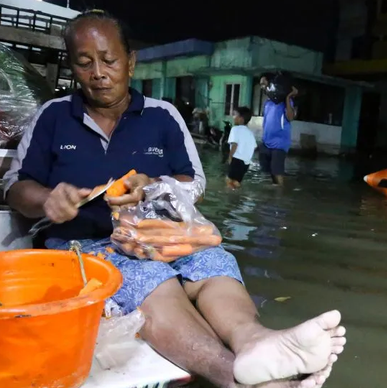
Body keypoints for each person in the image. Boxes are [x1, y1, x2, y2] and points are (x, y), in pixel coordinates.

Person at [3, 10, 345, 388]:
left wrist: (153, 184)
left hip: (161, 234)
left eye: (109, 60)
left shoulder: (162, 116)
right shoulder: (52, 117)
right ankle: (239, 378)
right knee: (150, 278)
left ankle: (255, 340)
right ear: (72, 66)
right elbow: (15, 185)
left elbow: (195, 181)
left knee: (215, 261)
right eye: (85, 63)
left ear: (130, 62)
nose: (98, 72)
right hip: (84, 244)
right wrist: (48, 198)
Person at [259, 73, 297, 186]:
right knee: (267, 171)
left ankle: (279, 196)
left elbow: (290, 117)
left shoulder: (286, 102)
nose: (262, 87)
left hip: (279, 144)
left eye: (263, 83)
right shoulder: (267, 103)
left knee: (277, 171)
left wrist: (288, 97)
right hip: (266, 142)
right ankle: (273, 192)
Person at [226, 106, 257, 189]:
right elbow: (254, 147)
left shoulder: (235, 129)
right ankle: (237, 198)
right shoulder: (250, 133)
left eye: (235, 115)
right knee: (236, 182)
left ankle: (230, 198)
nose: (233, 117)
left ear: (241, 119)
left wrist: (230, 157)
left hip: (236, 159)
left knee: (229, 181)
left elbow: (234, 144)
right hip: (246, 163)